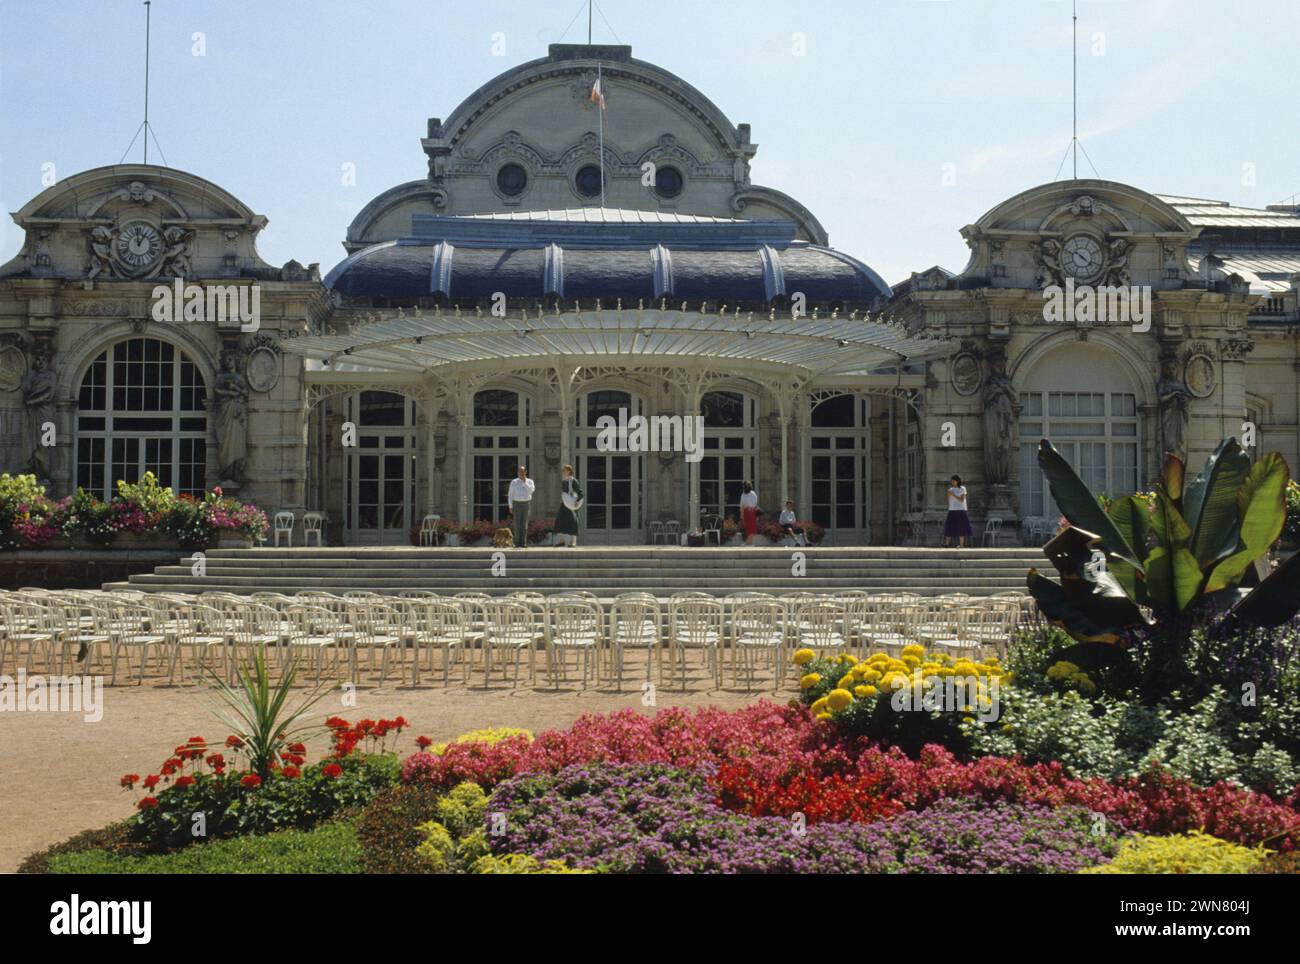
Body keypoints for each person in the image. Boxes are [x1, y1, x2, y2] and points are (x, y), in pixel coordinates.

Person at [554, 463, 584, 547]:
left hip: (572, 504)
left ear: (569, 471)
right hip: (564, 504)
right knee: (560, 521)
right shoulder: (564, 481)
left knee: (573, 521)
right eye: (562, 470)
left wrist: (577, 501)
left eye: (564, 470)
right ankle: (561, 540)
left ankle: (573, 542)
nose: (563, 472)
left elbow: (580, 492)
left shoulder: (573, 480)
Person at [506, 465, 534, 549]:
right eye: (519, 472)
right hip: (516, 504)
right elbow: (510, 495)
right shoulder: (514, 482)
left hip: (526, 503)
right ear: (518, 473)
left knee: (524, 524)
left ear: (525, 472)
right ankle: (517, 542)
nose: (521, 473)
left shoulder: (530, 481)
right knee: (517, 523)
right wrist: (510, 506)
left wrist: (524, 482)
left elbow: (531, 491)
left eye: (522, 471)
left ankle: (523, 542)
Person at [944, 474, 972, 548]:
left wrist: (953, 495)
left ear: (957, 481)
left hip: (961, 510)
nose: (952, 482)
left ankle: (962, 545)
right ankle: (946, 544)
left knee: (961, 528)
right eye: (951, 481)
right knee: (949, 527)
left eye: (954, 481)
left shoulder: (962, 488)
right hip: (952, 510)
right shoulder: (950, 489)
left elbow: (961, 500)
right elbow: (949, 500)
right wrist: (951, 494)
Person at [739, 480, 759, 545]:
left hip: (748, 512)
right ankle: (750, 543)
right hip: (751, 512)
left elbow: (742, 506)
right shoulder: (753, 494)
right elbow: (755, 504)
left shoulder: (744, 495)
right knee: (750, 528)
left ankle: (747, 543)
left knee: (751, 528)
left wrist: (741, 515)